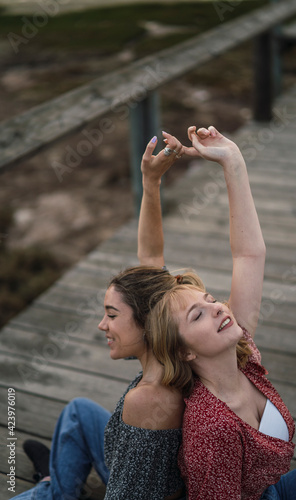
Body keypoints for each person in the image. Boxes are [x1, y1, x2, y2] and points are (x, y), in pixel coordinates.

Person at [145, 125, 296, 500]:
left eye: (211, 299)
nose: (216, 309)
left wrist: (232, 160)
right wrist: (150, 187)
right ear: (185, 352)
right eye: (197, 316)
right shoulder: (212, 429)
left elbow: (248, 254)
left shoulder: (243, 353)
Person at [13, 131, 189, 500]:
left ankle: (51, 490)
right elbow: (152, 257)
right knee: (77, 411)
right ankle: (56, 485)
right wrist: (151, 182)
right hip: (139, 465)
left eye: (111, 314)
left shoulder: (149, 401)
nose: (101, 325)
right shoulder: (167, 345)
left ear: (147, 320)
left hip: (140, 482)